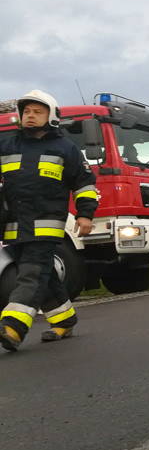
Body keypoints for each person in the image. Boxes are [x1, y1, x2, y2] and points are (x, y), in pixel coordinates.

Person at [0, 90, 99, 351]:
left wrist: (86, 214)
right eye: (27, 112)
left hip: (46, 224)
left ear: (51, 116)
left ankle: (12, 326)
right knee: (43, 275)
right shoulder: (7, 145)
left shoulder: (66, 149)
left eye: (37, 112)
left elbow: (85, 184)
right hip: (13, 226)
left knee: (31, 274)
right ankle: (64, 319)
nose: (30, 116)